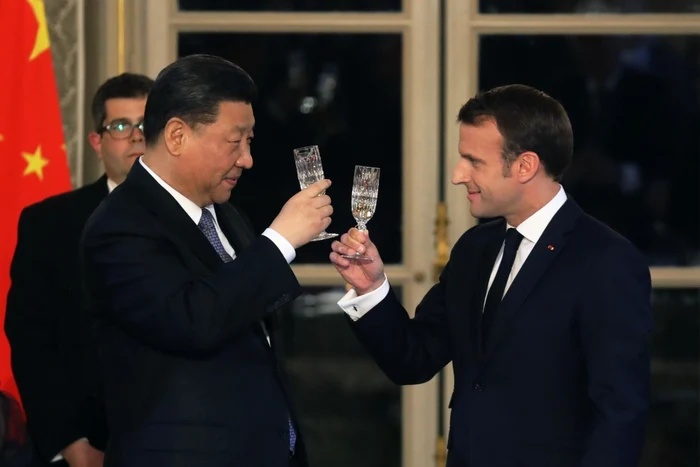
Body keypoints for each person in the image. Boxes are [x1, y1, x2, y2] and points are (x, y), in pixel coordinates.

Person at [330, 84, 652, 467]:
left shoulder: (606, 261)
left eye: (473, 161)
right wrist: (370, 289)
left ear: (525, 166)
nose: (457, 175)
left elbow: (620, 415)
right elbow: (412, 359)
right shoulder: (473, 249)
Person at [80, 54, 333, 467]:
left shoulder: (225, 213)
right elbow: (191, 320)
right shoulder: (119, 225)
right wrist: (280, 241)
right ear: (177, 136)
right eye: (235, 142)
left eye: (250, 142)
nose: (247, 159)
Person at [5, 72, 154, 467]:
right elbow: (31, 341)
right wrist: (68, 442)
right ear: (97, 142)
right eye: (121, 126)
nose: (137, 136)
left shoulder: (206, 218)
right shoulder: (49, 223)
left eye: (147, 123)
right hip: (89, 442)